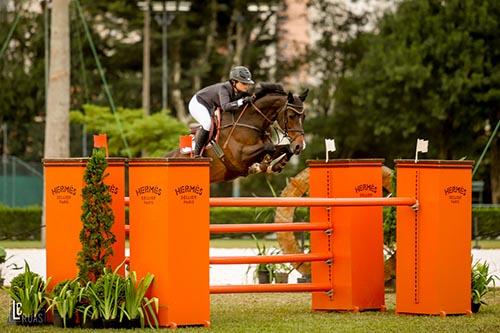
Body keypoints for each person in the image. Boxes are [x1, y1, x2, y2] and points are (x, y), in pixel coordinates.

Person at [188, 66, 255, 156]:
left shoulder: (239, 90)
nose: (247, 86)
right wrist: (242, 101)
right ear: (234, 82)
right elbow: (226, 107)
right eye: (243, 83)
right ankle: (197, 154)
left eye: (247, 83)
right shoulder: (224, 89)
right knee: (207, 123)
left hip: (209, 106)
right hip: (198, 103)